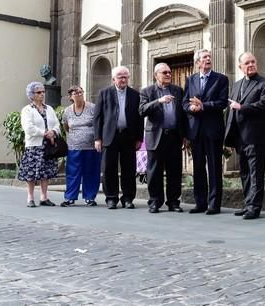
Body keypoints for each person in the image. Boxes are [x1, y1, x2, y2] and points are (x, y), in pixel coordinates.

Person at [225, 52, 265, 220]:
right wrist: (229, 134)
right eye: (247, 63)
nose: (251, 64)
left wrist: (242, 107)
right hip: (239, 137)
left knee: (256, 173)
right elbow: (231, 110)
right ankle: (247, 204)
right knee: (244, 172)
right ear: (240, 67)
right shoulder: (237, 85)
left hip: (256, 136)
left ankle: (255, 207)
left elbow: (264, 104)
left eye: (253, 61)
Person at [183, 49, 229, 215]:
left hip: (213, 129)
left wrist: (204, 105)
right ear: (197, 62)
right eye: (204, 57)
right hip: (195, 130)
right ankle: (200, 203)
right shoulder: (191, 80)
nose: (208, 59)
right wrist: (191, 107)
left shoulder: (221, 79)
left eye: (209, 56)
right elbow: (184, 103)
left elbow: (223, 102)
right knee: (198, 167)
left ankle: (214, 204)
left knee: (215, 167)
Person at [93, 66, 143, 210]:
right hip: (109, 135)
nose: (123, 79)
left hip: (128, 135)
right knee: (109, 168)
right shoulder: (104, 93)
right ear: (113, 79)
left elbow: (139, 118)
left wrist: (139, 138)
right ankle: (111, 198)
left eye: (125, 76)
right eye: (120, 76)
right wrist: (97, 138)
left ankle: (127, 198)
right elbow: (98, 118)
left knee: (129, 168)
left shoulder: (135, 94)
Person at [139, 63, 186, 214]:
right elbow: (141, 110)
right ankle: (155, 201)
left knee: (175, 170)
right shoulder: (147, 91)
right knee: (154, 171)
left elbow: (183, 115)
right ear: (156, 75)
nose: (168, 75)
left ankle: (173, 202)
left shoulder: (178, 90)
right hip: (156, 136)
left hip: (174, 136)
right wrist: (158, 101)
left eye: (169, 72)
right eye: (164, 72)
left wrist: (184, 135)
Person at [18, 81, 61, 207]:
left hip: (48, 145)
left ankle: (44, 197)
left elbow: (57, 124)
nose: (42, 94)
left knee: (46, 172)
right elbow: (28, 128)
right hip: (34, 146)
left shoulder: (49, 109)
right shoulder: (27, 110)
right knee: (31, 173)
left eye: (43, 92)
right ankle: (30, 198)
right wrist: (44, 133)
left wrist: (53, 131)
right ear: (32, 95)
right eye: (38, 92)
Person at [61, 85, 101, 207]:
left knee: (91, 171)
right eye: (75, 93)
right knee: (73, 172)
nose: (78, 94)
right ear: (70, 96)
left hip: (91, 146)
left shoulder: (92, 108)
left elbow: (98, 124)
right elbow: (65, 126)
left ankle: (90, 197)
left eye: (80, 92)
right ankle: (70, 197)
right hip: (74, 146)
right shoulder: (67, 111)